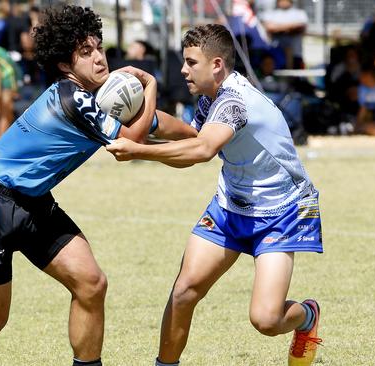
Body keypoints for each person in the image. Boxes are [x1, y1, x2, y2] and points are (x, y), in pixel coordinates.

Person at [0, 5, 196, 366]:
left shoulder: (98, 97)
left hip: (33, 203)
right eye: (86, 52)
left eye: (99, 48)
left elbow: (155, 121)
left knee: (91, 283)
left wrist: (202, 134)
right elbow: (131, 142)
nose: (99, 58)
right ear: (64, 64)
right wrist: (150, 83)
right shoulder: (70, 97)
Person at [106, 24, 323, 365]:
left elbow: (202, 150)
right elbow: (191, 135)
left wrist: (138, 150)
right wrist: (141, 106)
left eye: (191, 62)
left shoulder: (234, 102)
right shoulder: (212, 98)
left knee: (266, 320)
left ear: (217, 65)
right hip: (231, 206)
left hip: (282, 211)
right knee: (183, 292)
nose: (183, 70)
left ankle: (307, 315)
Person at [260, 0, 308, 69]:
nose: (283, 2)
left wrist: (278, 28)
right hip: (276, 55)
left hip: (296, 54)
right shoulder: (271, 13)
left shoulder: (299, 13)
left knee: (295, 77)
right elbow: (269, 28)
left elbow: (300, 27)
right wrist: (290, 27)